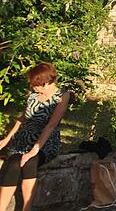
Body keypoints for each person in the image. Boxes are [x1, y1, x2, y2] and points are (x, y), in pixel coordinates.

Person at [0, 62, 70, 211]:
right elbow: (22, 118)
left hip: (45, 142)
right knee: (12, 164)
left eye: (36, 84)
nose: (33, 87)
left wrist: (33, 151)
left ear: (45, 82)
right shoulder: (33, 96)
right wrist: (6, 139)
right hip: (22, 140)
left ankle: (26, 208)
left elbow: (51, 125)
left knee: (30, 162)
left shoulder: (62, 96)